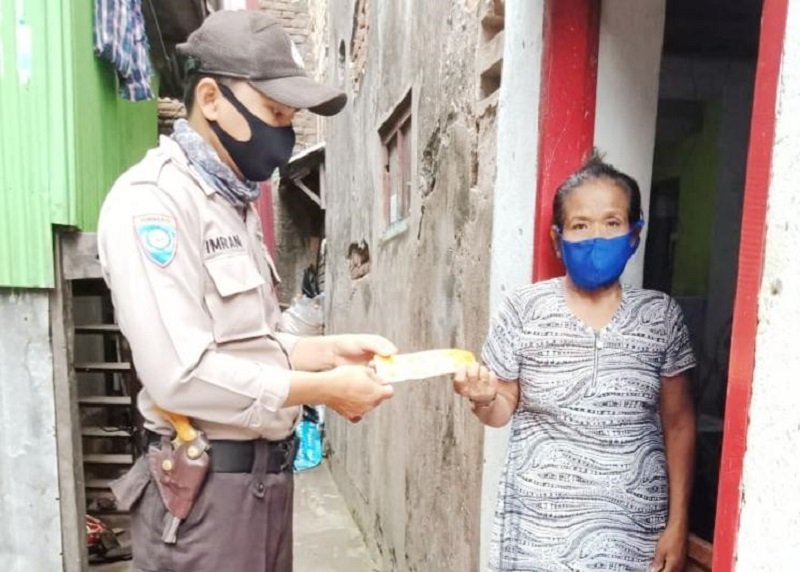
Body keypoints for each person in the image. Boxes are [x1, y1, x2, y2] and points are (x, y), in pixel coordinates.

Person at [97, 11, 395, 572]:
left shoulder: (234, 202)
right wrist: (324, 389)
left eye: (290, 117)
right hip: (205, 497)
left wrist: (330, 351)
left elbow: (253, 341)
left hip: (265, 484)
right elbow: (181, 374)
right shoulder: (153, 202)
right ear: (211, 98)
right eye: (274, 112)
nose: (283, 131)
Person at [454, 154, 696, 572]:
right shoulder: (524, 309)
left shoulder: (661, 316)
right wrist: (483, 398)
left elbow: (679, 424)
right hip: (540, 534)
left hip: (633, 534)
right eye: (580, 225)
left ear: (635, 235)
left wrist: (679, 523)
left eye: (612, 222)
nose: (596, 237)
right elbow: (501, 409)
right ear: (558, 239)